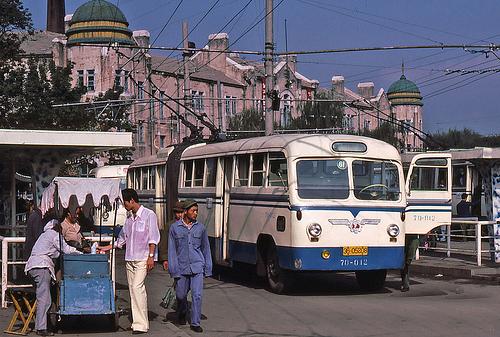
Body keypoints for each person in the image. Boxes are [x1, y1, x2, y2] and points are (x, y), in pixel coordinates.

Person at [99, 188, 160, 334]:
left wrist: (151, 257)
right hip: (130, 259)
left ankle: (141, 325)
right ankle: (137, 322)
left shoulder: (148, 215)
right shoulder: (129, 219)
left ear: (132, 200)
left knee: (138, 288)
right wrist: (107, 247)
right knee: (133, 290)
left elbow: (153, 237)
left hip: (142, 258)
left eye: (125, 202)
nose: (124, 205)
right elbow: (122, 239)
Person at [24, 221, 83, 336]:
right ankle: (41, 328)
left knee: (43, 296)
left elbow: (56, 251)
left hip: (33, 266)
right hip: (41, 266)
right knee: (44, 298)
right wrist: (80, 252)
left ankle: (43, 324)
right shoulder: (54, 235)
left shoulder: (44, 235)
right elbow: (66, 249)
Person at [168, 200, 212, 333]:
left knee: (197, 295)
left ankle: (195, 322)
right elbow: (172, 250)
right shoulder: (175, 228)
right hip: (181, 267)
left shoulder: (201, 228)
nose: (196, 213)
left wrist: (208, 267)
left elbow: (206, 248)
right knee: (181, 295)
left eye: (197, 211)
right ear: (185, 212)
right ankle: (181, 312)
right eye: (193, 211)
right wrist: (173, 269)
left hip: (197, 266)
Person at [158, 201, 186, 271]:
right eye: (177, 213)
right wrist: (165, 259)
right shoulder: (170, 225)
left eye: (181, 212)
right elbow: (164, 243)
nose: (180, 215)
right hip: (175, 259)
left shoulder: (191, 225)